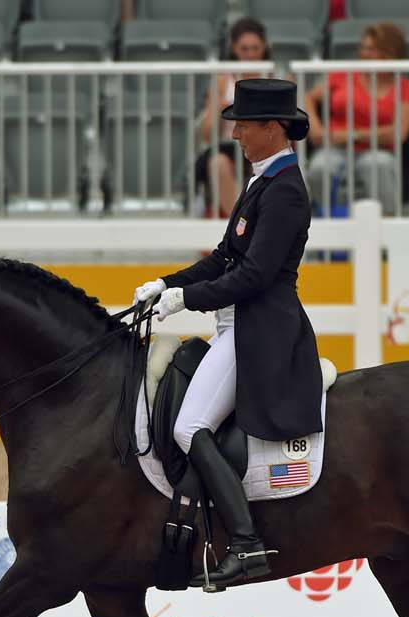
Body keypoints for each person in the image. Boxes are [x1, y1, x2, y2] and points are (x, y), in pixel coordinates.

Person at [132, 79, 323, 591]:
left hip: (260, 330)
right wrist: (167, 285)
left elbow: (255, 275)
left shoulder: (284, 191)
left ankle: (246, 541)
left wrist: (185, 301)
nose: (234, 133)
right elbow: (223, 258)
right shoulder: (262, 181)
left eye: (243, 124)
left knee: (188, 427)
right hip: (237, 324)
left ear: (273, 128)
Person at [302, 22, 409, 216]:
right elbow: (309, 98)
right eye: (363, 48)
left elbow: (399, 132)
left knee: (377, 165)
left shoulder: (406, 88)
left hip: (378, 150)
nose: (365, 54)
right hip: (335, 147)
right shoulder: (343, 76)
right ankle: (328, 224)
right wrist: (315, 129)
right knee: (320, 167)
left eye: (372, 49)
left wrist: (352, 135)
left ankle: (386, 232)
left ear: (390, 53)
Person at [195, 18, 273, 218]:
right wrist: (220, 110)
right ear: (234, 49)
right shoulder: (222, 81)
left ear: (263, 48)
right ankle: (241, 224)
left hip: (267, 147)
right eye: (244, 49)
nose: (250, 55)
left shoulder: (275, 78)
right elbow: (206, 134)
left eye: (255, 48)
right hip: (230, 148)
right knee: (217, 163)